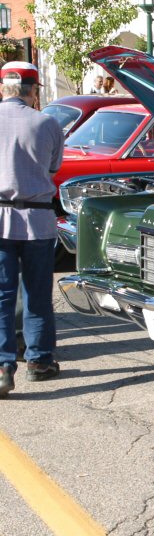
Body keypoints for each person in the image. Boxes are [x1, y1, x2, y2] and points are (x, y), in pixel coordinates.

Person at [0, 61, 64, 396]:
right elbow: (54, 166)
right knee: (37, 294)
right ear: (32, 90)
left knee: (1, 295)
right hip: (37, 218)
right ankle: (39, 361)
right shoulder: (47, 123)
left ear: (3, 89)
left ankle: (2, 366)